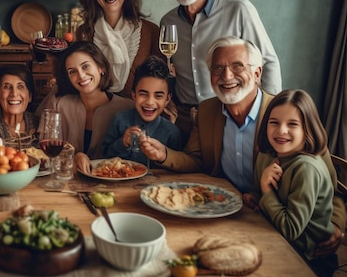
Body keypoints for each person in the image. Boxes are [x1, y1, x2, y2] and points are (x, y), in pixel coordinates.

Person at [141, 36, 345, 258]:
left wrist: (336, 224)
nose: (226, 76)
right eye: (217, 68)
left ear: (257, 73)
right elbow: (196, 159)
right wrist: (164, 154)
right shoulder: (207, 111)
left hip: (283, 229)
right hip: (228, 213)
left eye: (237, 66)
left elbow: (331, 187)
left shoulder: (285, 116)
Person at [161, 0, 282, 141]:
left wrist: (270, 116)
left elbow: (268, 62)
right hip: (183, 119)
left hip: (228, 117)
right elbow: (170, 69)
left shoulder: (239, 10)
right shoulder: (168, 22)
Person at [244, 89, 337, 277]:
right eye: (274, 123)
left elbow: (291, 230)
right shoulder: (266, 155)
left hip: (306, 258)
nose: (281, 131)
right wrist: (253, 196)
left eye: (292, 124)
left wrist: (266, 190)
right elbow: (258, 193)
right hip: (272, 238)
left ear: (307, 129)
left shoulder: (306, 168)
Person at [36, 41, 134, 173]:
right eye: (72, 71)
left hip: (113, 182)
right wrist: (74, 156)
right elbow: (43, 149)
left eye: (86, 66)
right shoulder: (59, 104)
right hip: (66, 181)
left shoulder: (127, 108)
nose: (81, 76)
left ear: (101, 68)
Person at [76, 0, 162, 99]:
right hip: (95, 114)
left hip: (136, 117)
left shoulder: (151, 31)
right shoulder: (83, 33)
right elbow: (77, 81)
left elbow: (159, 84)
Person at [102, 56, 182, 165]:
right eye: (143, 94)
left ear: (167, 99)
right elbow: (104, 156)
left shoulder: (172, 133)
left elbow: (176, 168)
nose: (149, 102)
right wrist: (122, 143)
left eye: (158, 96)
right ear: (134, 95)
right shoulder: (120, 120)